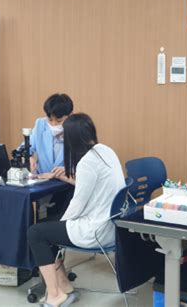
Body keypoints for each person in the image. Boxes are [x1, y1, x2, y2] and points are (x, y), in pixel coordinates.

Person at [27, 113, 125, 307]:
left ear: (72, 138)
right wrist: (63, 178)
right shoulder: (105, 151)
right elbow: (89, 185)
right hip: (111, 226)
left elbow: (78, 203)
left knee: (36, 233)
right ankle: (65, 286)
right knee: (49, 227)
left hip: (95, 230)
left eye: (63, 137)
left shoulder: (86, 162)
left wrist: (60, 224)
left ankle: (54, 295)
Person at [27, 93, 73, 179]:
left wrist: (70, 170)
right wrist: (29, 157)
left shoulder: (77, 129)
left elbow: (85, 162)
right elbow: (26, 148)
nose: (54, 124)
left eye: (59, 121)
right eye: (50, 120)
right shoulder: (40, 124)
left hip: (66, 183)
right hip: (43, 182)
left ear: (70, 115)